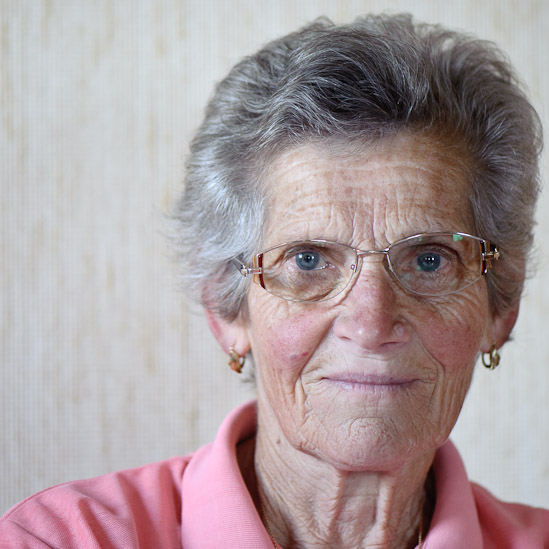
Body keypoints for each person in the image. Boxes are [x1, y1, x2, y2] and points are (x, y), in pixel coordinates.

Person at [1, 12, 548, 549]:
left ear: (500, 308)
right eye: (307, 261)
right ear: (226, 309)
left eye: (429, 260)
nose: (371, 323)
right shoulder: (61, 540)